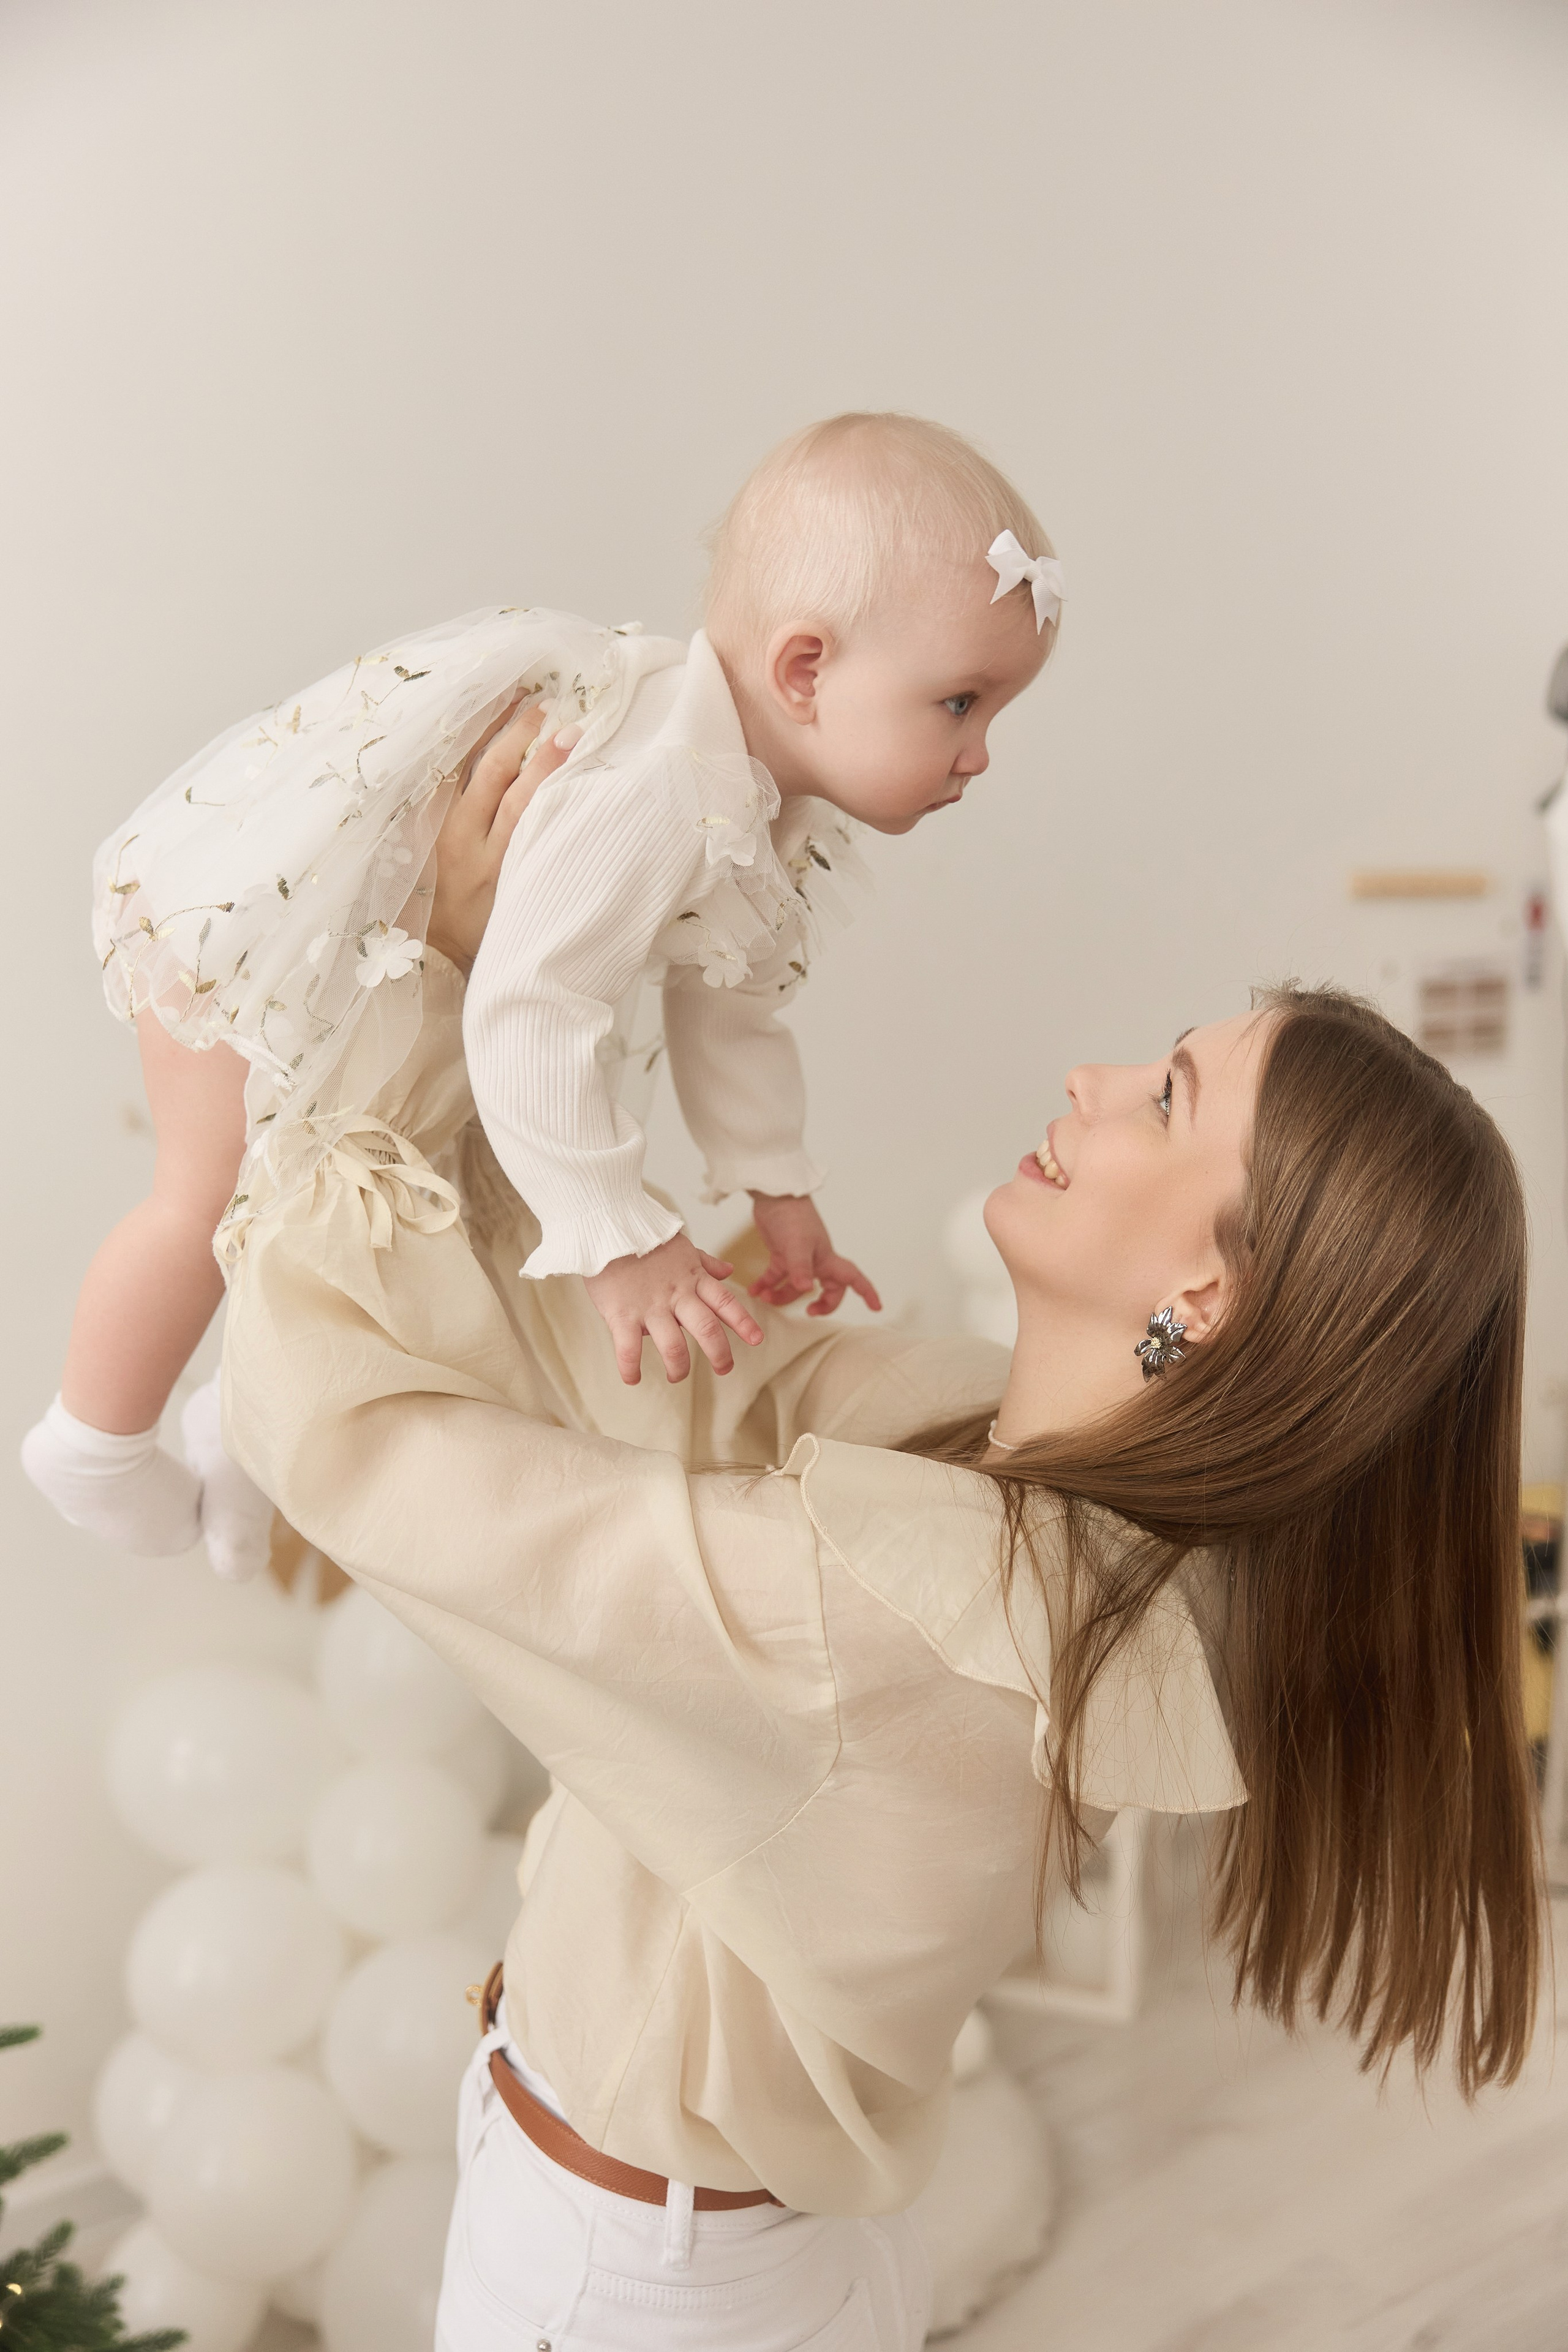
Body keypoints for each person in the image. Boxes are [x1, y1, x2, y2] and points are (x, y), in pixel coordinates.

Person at [214, 761, 1540, 2349]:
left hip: (629, 2289)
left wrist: (339, 1084)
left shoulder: (915, 1614)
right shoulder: (1018, 1474)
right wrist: (506, 991)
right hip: (696, 2241)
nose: (1096, 1077)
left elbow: (382, 1473)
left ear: (1213, 1293)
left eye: (1170, 1096)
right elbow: (635, 1379)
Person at [21, 413, 1060, 1583]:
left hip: (383, 982)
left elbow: (730, 1008)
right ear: (806, 671)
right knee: (212, 1194)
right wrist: (615, 1238)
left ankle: (229, 1421)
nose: (979, 755)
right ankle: (94, 1442)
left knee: (403, 1209)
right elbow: (528, 1011)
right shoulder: (655, 790)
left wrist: (776, 1181)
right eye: (960, 705)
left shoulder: (760, 802)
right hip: (259, 928)